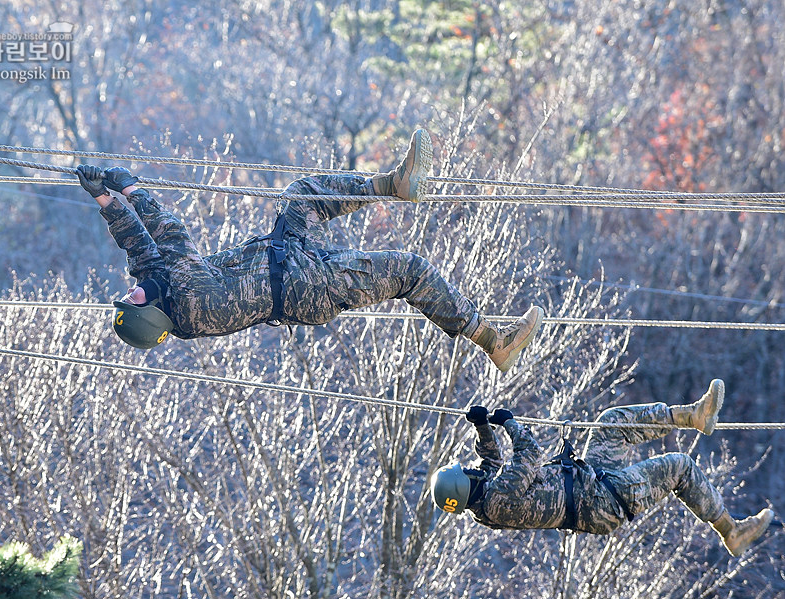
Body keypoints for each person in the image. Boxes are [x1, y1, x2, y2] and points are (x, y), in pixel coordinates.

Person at [76, 129, 544, 372]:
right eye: (132, 302)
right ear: (152, 315)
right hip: (309, 286)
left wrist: (103, 198)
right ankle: (492, 341)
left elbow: (140, 249)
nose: (132, 291)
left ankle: (392, 184)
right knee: (410, 271)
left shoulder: (160, 288)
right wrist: (133, 188)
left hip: (285, 257)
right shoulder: (192, 302)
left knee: (304, 195)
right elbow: (171, 237)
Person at [431, 379, 775, 556]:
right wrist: (511, 424)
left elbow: (490, 464)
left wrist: (482, 428)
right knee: (680, 467)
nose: (472, 470)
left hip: (591, 481)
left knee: (610, 423)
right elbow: (528, 454)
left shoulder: (484, 498)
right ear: (463, 486)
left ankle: (691, 415)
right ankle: (731, 531)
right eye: (466, 473)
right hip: (602, 502)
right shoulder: (498, 499)